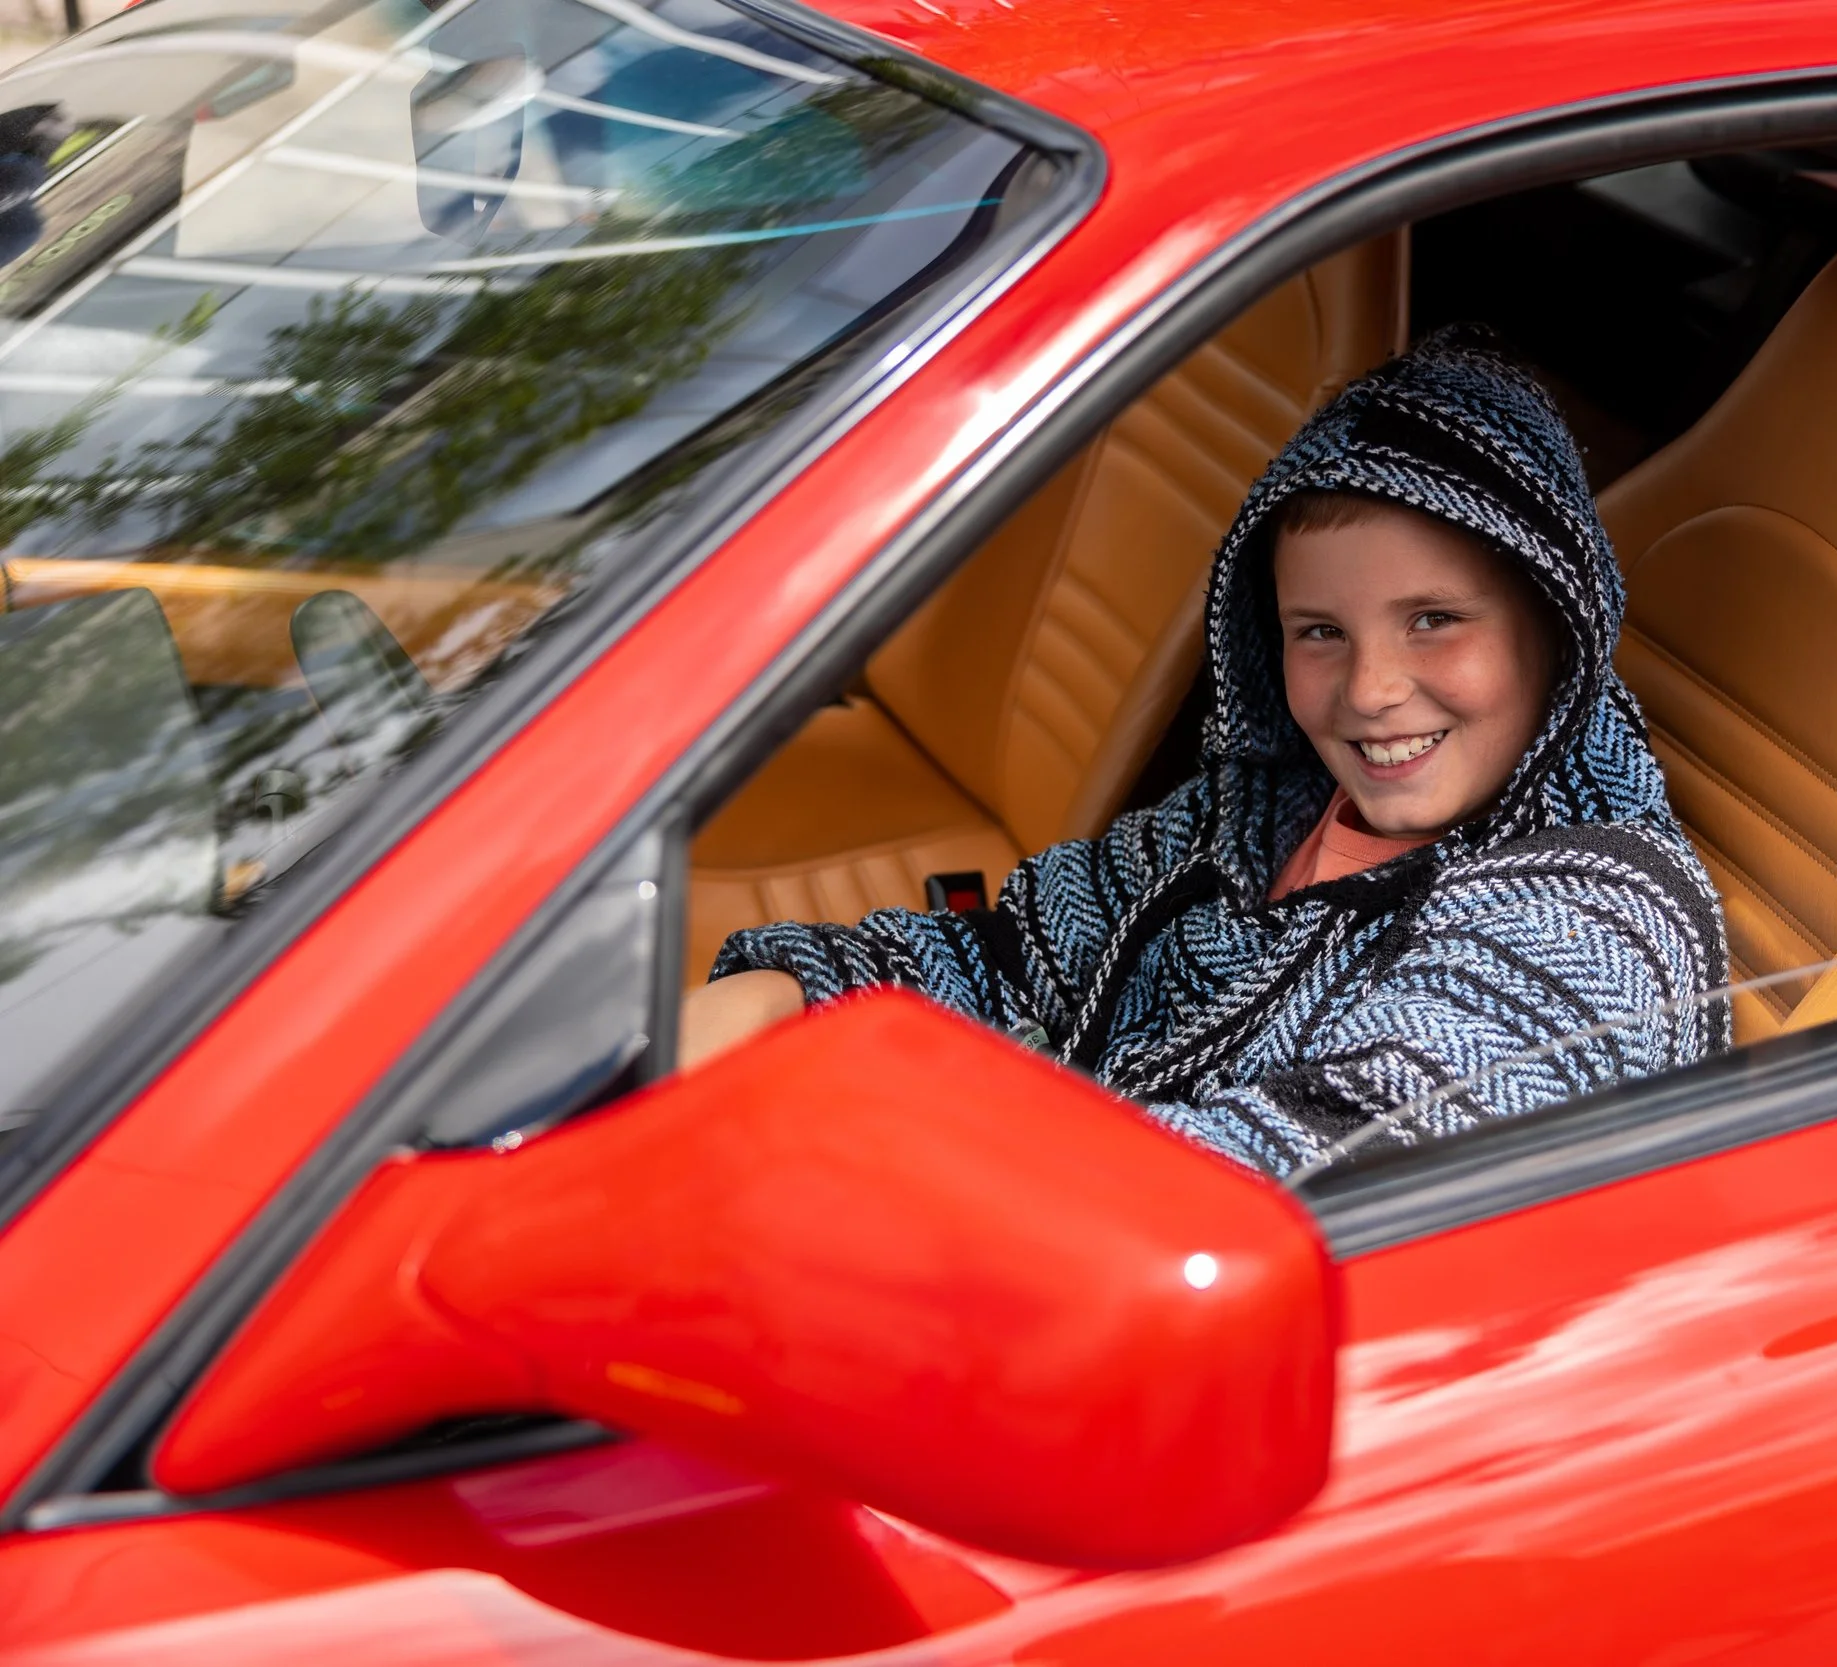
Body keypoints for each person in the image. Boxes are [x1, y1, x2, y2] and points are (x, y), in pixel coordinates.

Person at [683, 327, 1730, 1178]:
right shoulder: (1268, 806)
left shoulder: (1583, 940)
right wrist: (792, 993)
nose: (1368, 690)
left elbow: (1246, 1194)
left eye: (1434, 620)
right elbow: (1019, 950)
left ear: (1556, 625)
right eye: (1318, 631)